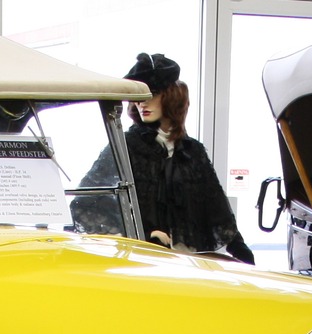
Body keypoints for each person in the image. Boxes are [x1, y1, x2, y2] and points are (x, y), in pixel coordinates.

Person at [74, 53, 253, 263]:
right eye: (139, 97)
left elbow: (215, 207)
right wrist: (141, 235)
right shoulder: (126, 146)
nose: (142, 103)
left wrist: (240, 250)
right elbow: (85, 205)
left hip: (189, 261)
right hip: (144, 261)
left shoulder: (192, 151)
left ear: (171, 96)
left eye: (153, 94)